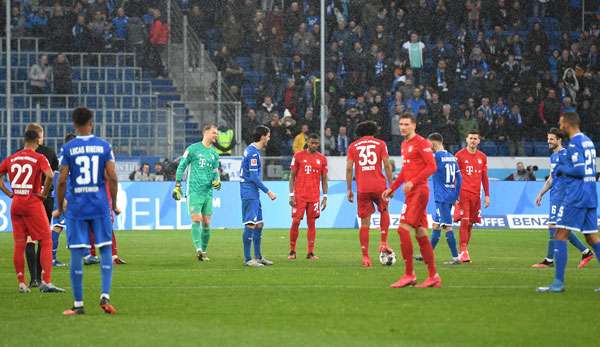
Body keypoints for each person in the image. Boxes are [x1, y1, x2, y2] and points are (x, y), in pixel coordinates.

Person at [54, 107, 120, 315]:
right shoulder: (104, 146)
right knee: (105, 248)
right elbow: (113, 176)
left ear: (74, 124)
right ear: (92, 121)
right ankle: (105, 295)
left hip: (77, 206)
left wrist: (60, 206)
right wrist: (114, 203)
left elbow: (62, 180)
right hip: (100, 204)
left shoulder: (68, 148)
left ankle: (79, 304)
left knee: (75, 251)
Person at [538, 113, 600, 293]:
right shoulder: (588, 141)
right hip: (590, 192)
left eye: (561, 122)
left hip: (577, 194)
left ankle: (558, 283)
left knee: (560, 234)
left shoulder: (574, 143)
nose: (560, 125)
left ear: (567, 123)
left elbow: (579, 170)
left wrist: (561, 169)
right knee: (592, 237)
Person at [0, 130, 65, 294]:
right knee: (46, 240)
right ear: (37, 140)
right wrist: (44, 193)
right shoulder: (39, 157)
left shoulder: (12, 158)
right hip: (32, 202)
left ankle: (21, 282)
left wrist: (8, 193)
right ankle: (46, 282)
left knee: (20, 243)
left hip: (16, 203)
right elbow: (50, 175)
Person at [382, 113, 440, 288]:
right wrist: (392, 188)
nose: (403, 127)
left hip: (419, 192)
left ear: (414, 125)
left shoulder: (422, 143)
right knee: (421, 234)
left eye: (406, 124)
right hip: (411, 193)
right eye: (401, 124)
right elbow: (406, 171)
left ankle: (409, 274)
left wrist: (413, 182)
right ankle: (433, 276)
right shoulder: (404, 144)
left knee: (402, 229)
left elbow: (432, 166)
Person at [533, 128, 595, 269]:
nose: (549, 141)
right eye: (548, 139)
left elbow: (578, 172)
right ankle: (586, 252)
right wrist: (540, 193)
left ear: (559, 140)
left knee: (553, 227)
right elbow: (551, 179)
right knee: (559, 229)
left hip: (563, 196)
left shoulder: (566, 154)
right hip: (554, 195)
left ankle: (549, 260)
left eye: (552, 139)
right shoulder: (553, 157)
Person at [346, 121, 394, 267]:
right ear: (374, 131)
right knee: (384, 212)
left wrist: (349, 189)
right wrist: (391, 185)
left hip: (363, 188)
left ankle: (365, 257)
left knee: (365, 223)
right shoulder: (380, 144)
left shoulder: (353, 146)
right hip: (379, 186)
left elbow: (349, 169)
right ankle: (383, 242)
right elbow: (387, 165)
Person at [172, 125, 221, 261]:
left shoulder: (214, 154)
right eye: (214, 133)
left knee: (207, 222)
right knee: (196, 219)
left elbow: (215, 172)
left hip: (208, 193)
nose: (216, 136)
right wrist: (177, 185)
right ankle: (198, 249)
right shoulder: (193, 149)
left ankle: (203, 252)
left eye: (216, 134)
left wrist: (217, 181)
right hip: (194, 191)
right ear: (205, 132)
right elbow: (182, 166)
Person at [23, 123, 59, 286]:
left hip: (25, 199)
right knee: (43, 239)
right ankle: (42, 278)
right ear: (39, 136)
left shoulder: (19, 154)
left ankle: (33, 280)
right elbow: (54, 176)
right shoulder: (49, 153)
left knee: (29, 239)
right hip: (44, 199)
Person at [240, 125, 277, 267]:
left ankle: (258, 256)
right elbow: (254, 177)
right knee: (250, 223)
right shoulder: (253, 153)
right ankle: (248, 258)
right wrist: (268, 191)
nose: (269, 138)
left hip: (253, 190)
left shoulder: (252, 150)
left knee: (259, 224)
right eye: (268, 135)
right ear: (262, 136)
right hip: (249, 190)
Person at [288, 133, 328, 260]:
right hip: (299, 196)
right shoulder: (298, 156)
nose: (314, 145)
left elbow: (324, 179)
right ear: (307, 142)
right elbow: (292, 176)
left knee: (312, 224)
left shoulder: (322, 159)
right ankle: (292, 251)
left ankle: (310, 252)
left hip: (314, 197)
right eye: (312, 143)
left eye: (316, 143)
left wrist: (325, 196)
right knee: (295, 222)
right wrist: (291, 194)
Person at [454, 130, 490, 263]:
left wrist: (487, 195)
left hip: (476, 195)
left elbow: (484, 177)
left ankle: (463, 250)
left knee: (470, 223)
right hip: (463, 193)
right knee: (465, 220)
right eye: (471, 138)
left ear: (479, 141)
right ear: (466, 140)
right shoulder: (459, 155)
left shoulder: (483, 157)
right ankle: (463, 250)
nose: (473, 140)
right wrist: (454, 194)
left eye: (475, 138)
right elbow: (454, 176)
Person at [427, 133, 462, 265]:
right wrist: (456, 194)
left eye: (429, 145)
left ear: (434, 144)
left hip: (441, 197)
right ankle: (428, 254)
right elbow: (459, 178)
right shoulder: (452, 157)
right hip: (449, 195)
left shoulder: (436, 157)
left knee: (447, 227)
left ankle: (456, 257)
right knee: (436, 225)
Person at [51, 133, 77, 267]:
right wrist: (64, 198)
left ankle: (52, 258)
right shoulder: (65, 158)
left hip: (65, 196)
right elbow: (60, 180)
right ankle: (52, 258)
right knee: (59, 226)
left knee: (60, 226)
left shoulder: (65, 157)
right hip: (64, 197)